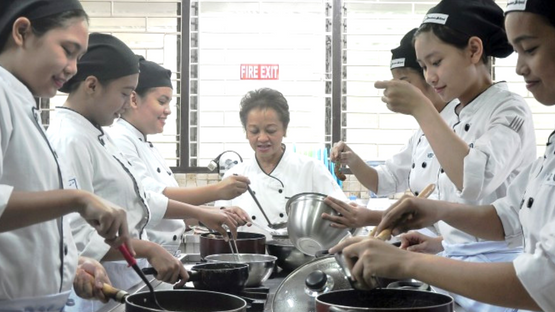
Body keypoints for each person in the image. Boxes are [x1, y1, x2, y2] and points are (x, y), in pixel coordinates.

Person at [331, 0, 555, 311]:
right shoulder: (449, 117)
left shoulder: (507, 108)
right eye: (424, 67)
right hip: (457, 262)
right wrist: (435, 213)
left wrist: (422, 108)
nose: (431, 76)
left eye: (436, 62)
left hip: (497, 275)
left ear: (474, 51)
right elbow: (509, 215)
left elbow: (474, 181)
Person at [46, 33, 241, 311]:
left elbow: (141, 199)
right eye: (124, 94)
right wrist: (150, 249)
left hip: (125, 277)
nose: (127, 104)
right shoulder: (70, 139)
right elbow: (76, 237)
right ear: (91, 85)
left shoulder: (98, 135)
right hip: (96, 289)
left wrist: (197, 213)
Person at [0, 0, 131, 310]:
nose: (73, 68)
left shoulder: (21, 102)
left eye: (79, 57)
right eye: (68, 50)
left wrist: (69, 263)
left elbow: (27, 228)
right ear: (22, 32)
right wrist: (78, 199)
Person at [325, 28, 458, 247]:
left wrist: (371, 217)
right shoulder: (421, 133)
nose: (395, 90)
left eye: (404, 82)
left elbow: (447, 205)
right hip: (432, 246)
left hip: (454, 251)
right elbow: (384, 181)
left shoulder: (457, 124)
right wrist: (351, 158)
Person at [109, 56, 251, 255]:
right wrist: (217, 191)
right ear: (133, 99)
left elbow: (173, 210)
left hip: (163, 255)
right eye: (161, 101)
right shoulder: (120, 139)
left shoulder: (146, 144)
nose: (167, 111)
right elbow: (151, 199)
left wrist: (217, 213)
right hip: (147, 255)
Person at [215, 88, 348, 239]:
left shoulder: (311, 169)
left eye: (271, 130)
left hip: (301, 259)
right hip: (250, 260)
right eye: (254, 131)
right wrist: (228, 216)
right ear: (246, 132)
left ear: (284, 129)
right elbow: (219, 228)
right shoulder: (234, 176)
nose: (263, 138)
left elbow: (344, 214)